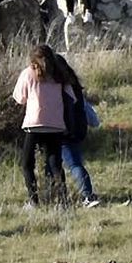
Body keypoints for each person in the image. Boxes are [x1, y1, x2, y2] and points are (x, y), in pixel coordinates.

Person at [11, 44, 70, 208]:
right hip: (56, 124)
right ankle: (63, 199)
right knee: (55, 163)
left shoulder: (29, 73)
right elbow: (71, 96)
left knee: (27, 164)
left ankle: (33, 200)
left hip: (34, 123)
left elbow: (19, 98)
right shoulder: (59, 75)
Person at [55, 51, 100, 207]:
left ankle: (87, 195)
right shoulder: (74, 86)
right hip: (76, 130)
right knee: (74, 163)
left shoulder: (56, 88)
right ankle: (83, 194)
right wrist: (93, 122)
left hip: (61, 131)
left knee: (73, 165)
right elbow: (86, 110)